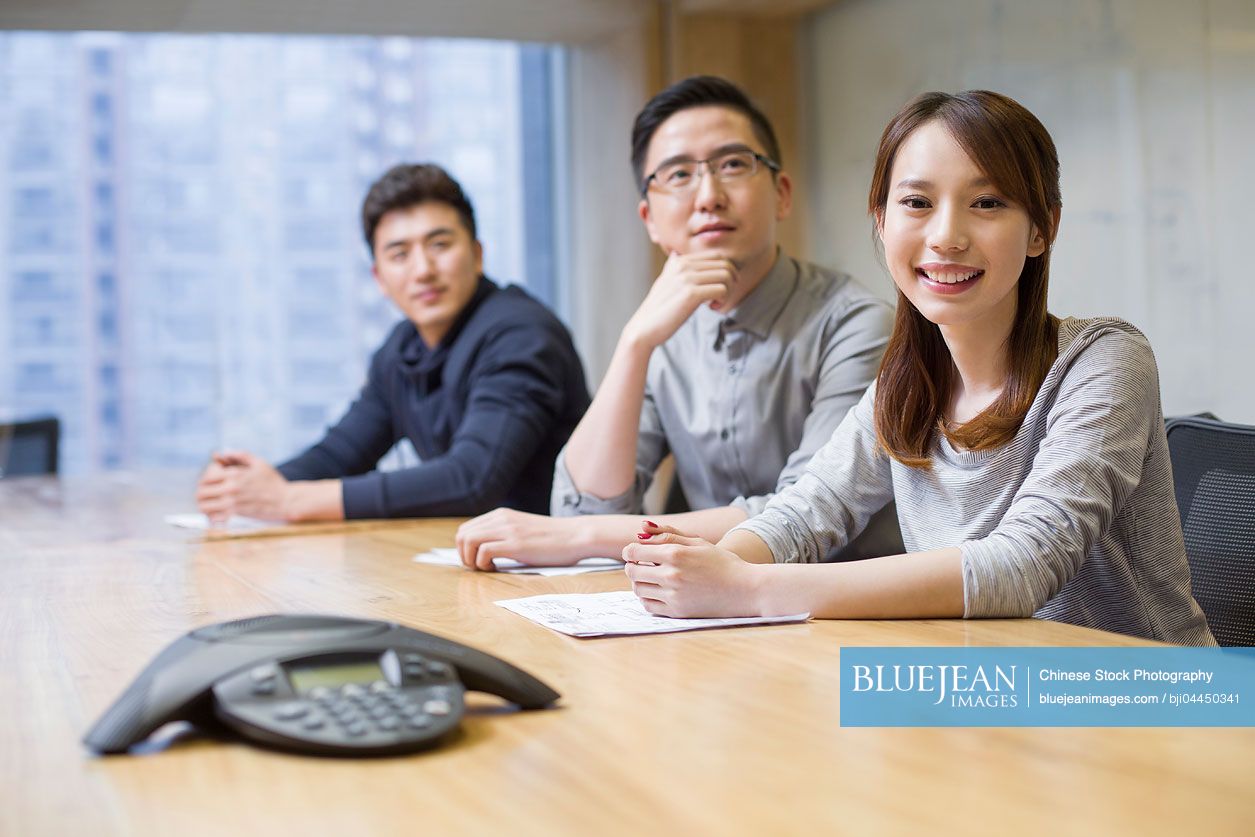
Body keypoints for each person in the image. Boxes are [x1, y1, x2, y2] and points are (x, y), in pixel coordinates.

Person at [620, 90, 1215, 646]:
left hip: (1155, 700)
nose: (946, 235)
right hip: (996, 696)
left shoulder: (1105, 360)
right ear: (882, 222)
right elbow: (807, 511)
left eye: (987, 203)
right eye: (916, 203)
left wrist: (746, 589)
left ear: (1041, 229)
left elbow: (1023, 564)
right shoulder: (905, 389)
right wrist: (718, 566)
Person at [455, 76, 895, 570]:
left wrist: (578, 536)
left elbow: (805, 517)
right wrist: (635, 343)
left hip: (847, 613)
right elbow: (588, 502)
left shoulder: (858, 324)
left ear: (781, 194)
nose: (708, 195)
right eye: (678, 175)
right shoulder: (663, 331)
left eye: (732, 164)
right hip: (711, 612)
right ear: (650, 218)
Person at [195, 163, 590, 523]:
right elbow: (341, 453)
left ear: (477, 254)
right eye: (399, 254)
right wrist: (249, 486)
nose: (422, 270)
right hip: (476, 561)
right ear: (379, 278)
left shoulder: (522, 333)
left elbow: (471, 478)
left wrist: (290, 501)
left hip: (565, 574)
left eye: (439, 245)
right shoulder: (403, 349)